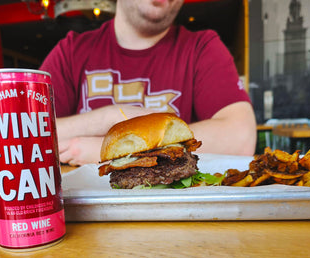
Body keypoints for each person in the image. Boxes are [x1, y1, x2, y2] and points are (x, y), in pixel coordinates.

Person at [39, 0, 257, 165]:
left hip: (175, 214)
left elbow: (241, 138)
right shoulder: (71, 52)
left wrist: (107, 150)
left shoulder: (202, 48)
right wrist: (110, 117)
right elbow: (21, 135)